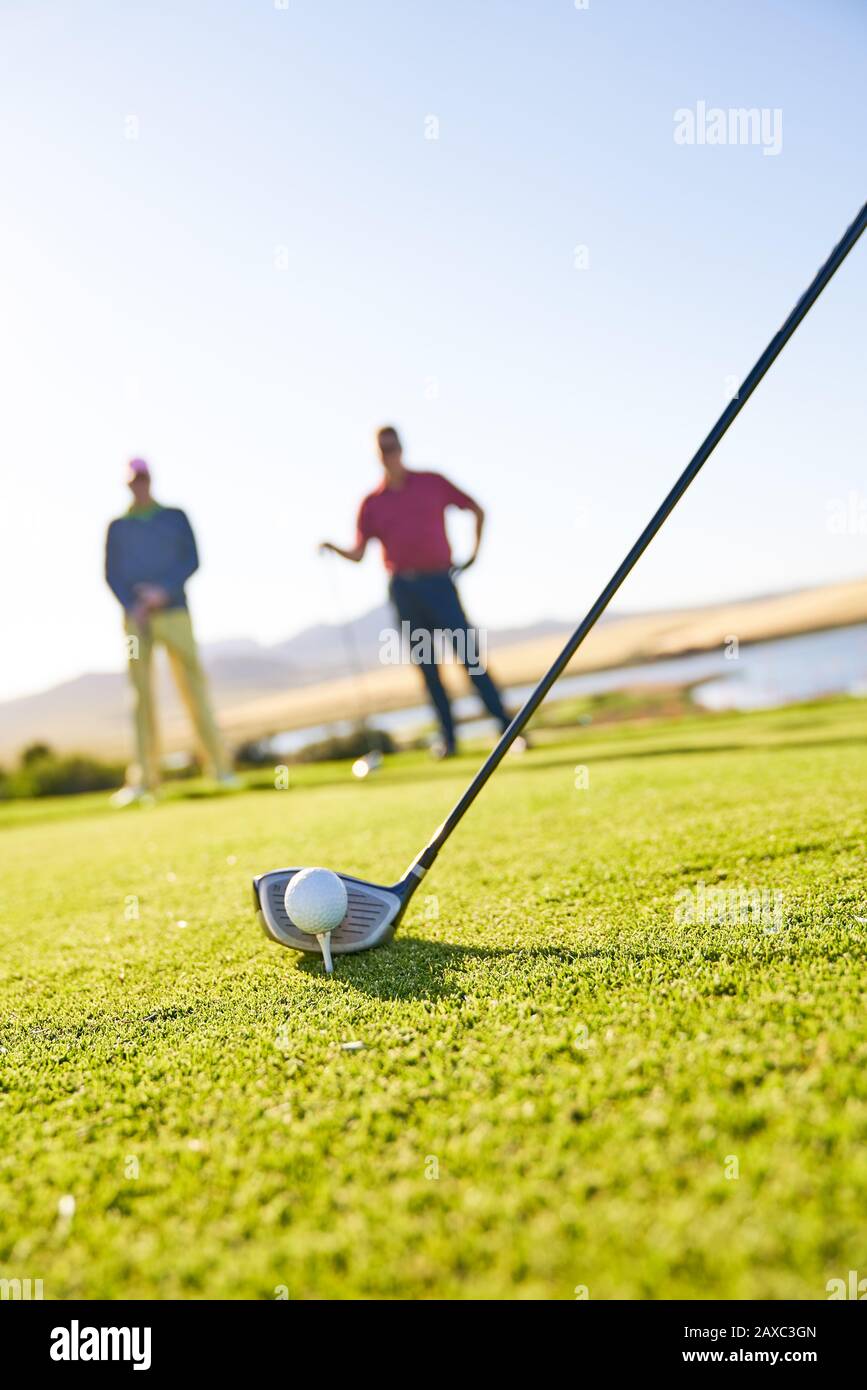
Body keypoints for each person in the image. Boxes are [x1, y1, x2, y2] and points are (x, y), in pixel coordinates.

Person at [321, 425, 518, 758]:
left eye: (394, 446)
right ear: (377, 455)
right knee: (428, 669)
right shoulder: (371, 503)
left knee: (469, 659)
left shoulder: (431, 482)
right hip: (404, 591)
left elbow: (477, 509)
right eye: (383, 449)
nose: (390, 454)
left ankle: (508, 730)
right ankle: (450, 741)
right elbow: (358, 555)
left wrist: (472, 556)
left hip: (440, 583)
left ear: (402, 448)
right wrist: (332, 548)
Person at [105, 458, 235, 804]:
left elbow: (191, 559)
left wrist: (162, 591)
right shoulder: (117, 526)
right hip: (135, 621)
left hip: (175, 611)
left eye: (143, 478)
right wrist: (134, 605)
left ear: (151, 479)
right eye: (133, 480)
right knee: (140, 695)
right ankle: (145, 781)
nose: (139, 484)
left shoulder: (174, 516)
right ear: (127, 484)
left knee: (194, 687)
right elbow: (111, 575)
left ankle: (220, 768)